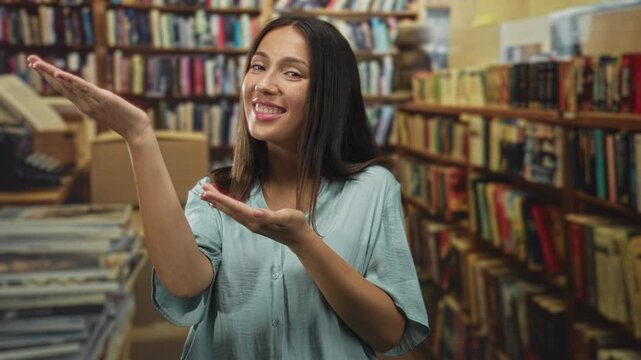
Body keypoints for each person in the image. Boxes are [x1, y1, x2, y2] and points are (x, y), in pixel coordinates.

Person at [27, 16, 429, 359]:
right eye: (257, 66)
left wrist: (304, 242)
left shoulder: (374, 189)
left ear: (330, 94)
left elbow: (388, 333)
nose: (264, 84)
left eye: (292, 73)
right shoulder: (217, 192)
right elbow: (184, 283)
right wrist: (138, 136)